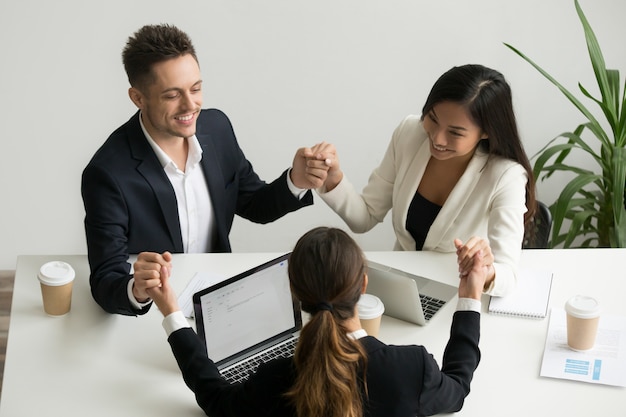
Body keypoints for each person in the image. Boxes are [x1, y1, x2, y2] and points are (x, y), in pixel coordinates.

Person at [81, 24, 329, 316]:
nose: (191, 105)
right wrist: (136, 288)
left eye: (196, 89)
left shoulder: (218, 128)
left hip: (219, 304)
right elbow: (105, 278)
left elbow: (253, 204)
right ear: (138, 98)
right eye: (172, 95)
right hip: (155, 313)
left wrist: (295, 181)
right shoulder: (107, 174)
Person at [148, 226, 486, 417]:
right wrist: (469, 295)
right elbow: (458, 388)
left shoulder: (275, 380)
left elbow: (216, 400)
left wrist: (172, 314)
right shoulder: (410, 369)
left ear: (295, 294)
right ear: (363, 285)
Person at [308, 64, 537, 296]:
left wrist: (486, 271)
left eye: (455, 132)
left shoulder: (506, 175)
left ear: (486, 131)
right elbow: (365, 217)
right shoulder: (410, 133)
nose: (437, 138)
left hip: (456, 294)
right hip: (400, 290)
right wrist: (333, 177)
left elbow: (508, 275)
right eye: (433, 119)